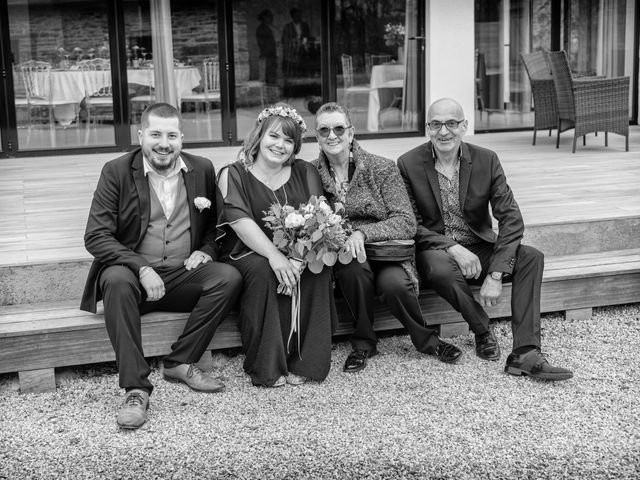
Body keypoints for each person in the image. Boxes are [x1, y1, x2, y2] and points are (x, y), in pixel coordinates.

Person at [81, 103, 242, 429]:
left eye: (171, 135)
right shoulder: (116, 171)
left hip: (183, 273)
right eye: (155, 134)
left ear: (181, 137)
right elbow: (95, 236)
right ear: (141, 135)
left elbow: (215, 227)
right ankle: (136, 389)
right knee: (114, 279)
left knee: (229, 276)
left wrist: (208, 251)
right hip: (134, 278)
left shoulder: (202, 168)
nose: (163, 143)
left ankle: (180, 361)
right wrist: (141, 267)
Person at [397, 97, 573, 381]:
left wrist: (495, 273)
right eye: (436, 124)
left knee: (532, 257)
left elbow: (512, 219)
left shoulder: (486, 159)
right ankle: (481, 329)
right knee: (440, 266)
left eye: (451, 123)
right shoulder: (407, 164)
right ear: (427, 128)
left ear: (464, 126)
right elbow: (411, 225)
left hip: (479, 246)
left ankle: (525, 352)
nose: (444, 132)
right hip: (435, 250)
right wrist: (452, 248)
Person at [312, 102, 462, 373]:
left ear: (351, 132)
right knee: (352, 270)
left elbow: (406, 222)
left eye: (338, 128)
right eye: (324, 130)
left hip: (386, 251)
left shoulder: (381, 168)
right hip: (347, 254)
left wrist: (363, 232)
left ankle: (426, 340)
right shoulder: (310, 173)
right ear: (316, 136)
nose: (332, 136)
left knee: (394, 283)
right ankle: (363, 344)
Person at [217, 103, 337, 388]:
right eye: (274, 136)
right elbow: (238, 221)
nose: (280, 145)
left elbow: (317, 218)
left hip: (298, 250)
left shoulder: (305, 171)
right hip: (246, 251)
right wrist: (275, 257)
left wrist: (297, 259)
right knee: (263, 270)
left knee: (316, 270)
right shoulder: (232, 174)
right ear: (259, 136)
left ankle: (307, 362)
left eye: (288, 140)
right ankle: (266, 365)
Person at [281, 7, 310, 78]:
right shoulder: (287, 26)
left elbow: (308, 37)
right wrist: (294, 41)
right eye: (296, 15)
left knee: (302, 70)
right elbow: (284, 39)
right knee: (292, 71)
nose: (298, 17)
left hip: (303, 51)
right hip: (291, 53)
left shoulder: (305, 25)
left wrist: (305, 42)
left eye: (299, 15)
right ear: (292, 16)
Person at [256, 9, 277, 86]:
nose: (271, 18)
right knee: (269, 80)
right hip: (267, 57)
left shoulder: (267, 28)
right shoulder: (262, 29)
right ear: (265, 17)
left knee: (271, 79)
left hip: (270, 57)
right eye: (269, 16)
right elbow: (264, 44)